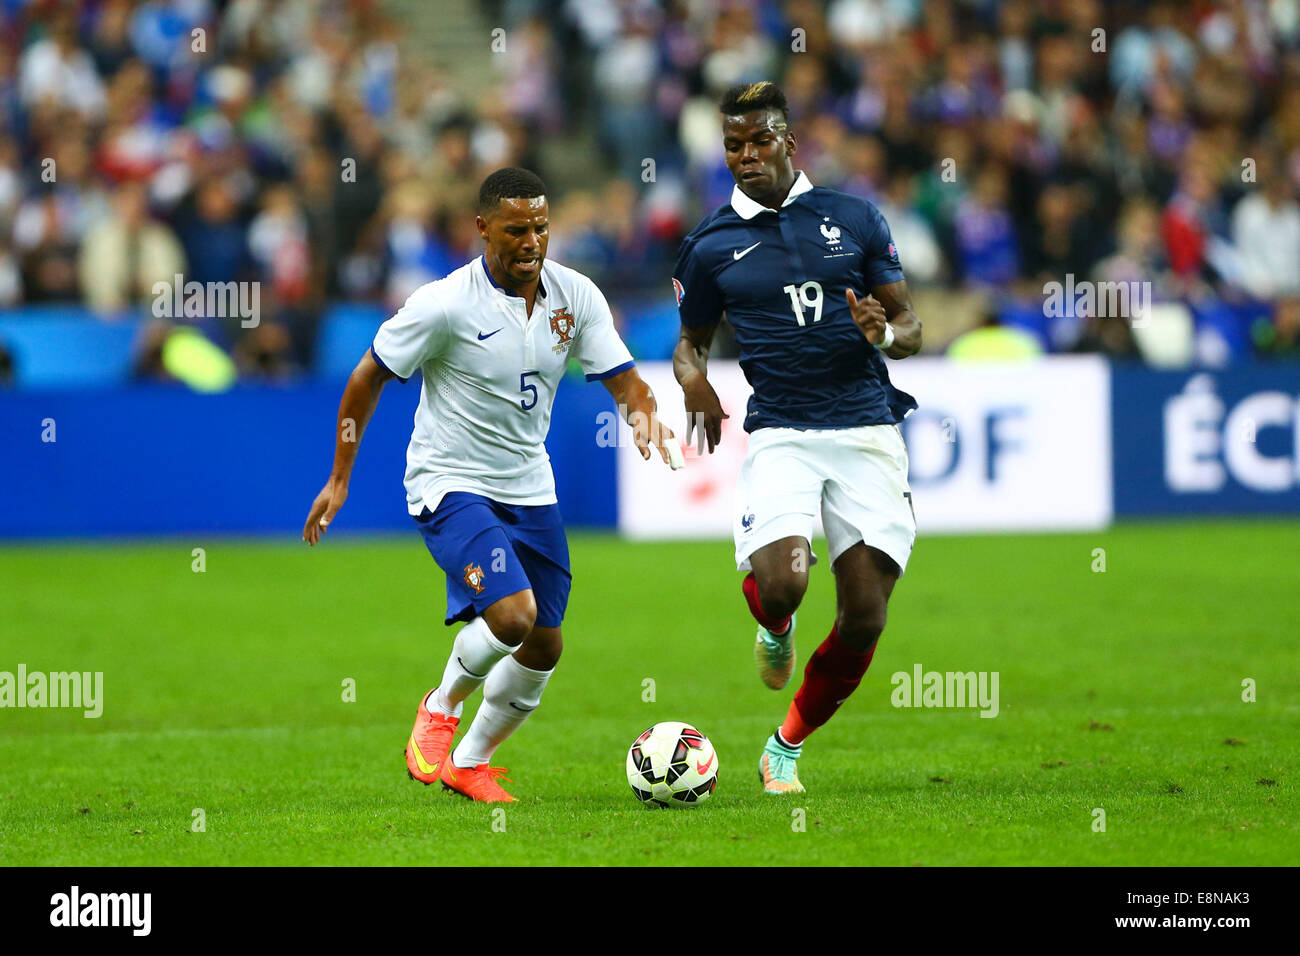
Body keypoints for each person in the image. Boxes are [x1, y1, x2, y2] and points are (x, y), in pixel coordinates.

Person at [303, 168, 679, 803]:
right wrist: (340, 476)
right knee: (512, 615)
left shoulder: (575, 295)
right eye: (515, 230)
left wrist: (643, 412)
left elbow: (622, 375)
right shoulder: (444, 303)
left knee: (544, 643)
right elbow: (367, 377)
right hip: (449, 481)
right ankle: (440, 707)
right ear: (481, 229)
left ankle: (470, 762)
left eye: (540, 228)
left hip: (530, 486)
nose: (531, 241)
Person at [671, 82, 922, 794]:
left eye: (758, 142)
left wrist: (885, 332)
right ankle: (774, 627)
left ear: (789, 142)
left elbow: (912, 328)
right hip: (781, 429)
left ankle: (785, 745)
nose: (745, 157)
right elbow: (690, 344)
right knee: (782, 586)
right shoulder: (711, 244)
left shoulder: (855, 217)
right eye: (732, 146)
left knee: (866, 616)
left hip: (867, 426)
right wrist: (694, 382)